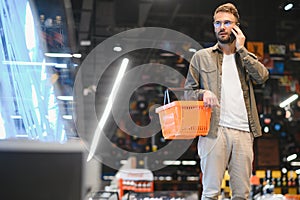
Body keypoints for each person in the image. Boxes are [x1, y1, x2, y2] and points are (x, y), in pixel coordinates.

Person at [184, 3, 269, 200]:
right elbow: (188, 92)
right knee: (211, 192)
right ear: (213, 26)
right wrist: (203, 94)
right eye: (218, 23)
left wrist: (242, 50)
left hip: (244, 131)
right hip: (214, 131)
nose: (222, 27)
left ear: (237, 27)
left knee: (242, 194)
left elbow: (262, 77)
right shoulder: (201, 57)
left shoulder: (246, 58)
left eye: (227, 23)